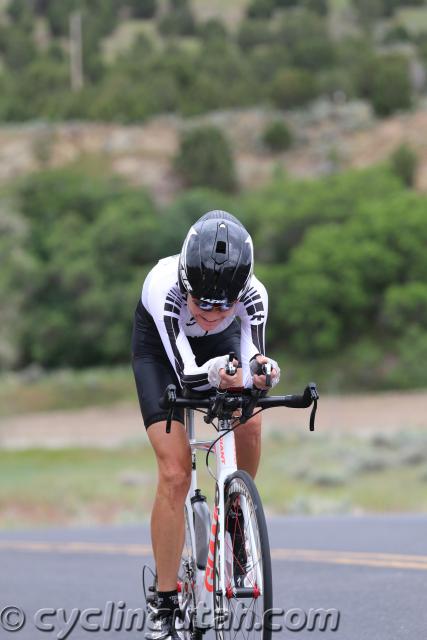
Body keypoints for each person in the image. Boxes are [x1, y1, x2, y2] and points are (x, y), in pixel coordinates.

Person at [131, 210, 280, 640]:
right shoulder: (164, 288)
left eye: (225, 304)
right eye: (204, 303)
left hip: (219, 352)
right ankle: (164, 602)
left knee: (250, 419)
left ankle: (236, 510)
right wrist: (220, 373)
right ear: (186, 284)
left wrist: (262, 374)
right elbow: (188, 375)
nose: (214, 313)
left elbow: (255, 358)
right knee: (176, 472)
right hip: (162, 354)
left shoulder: (254, 295)